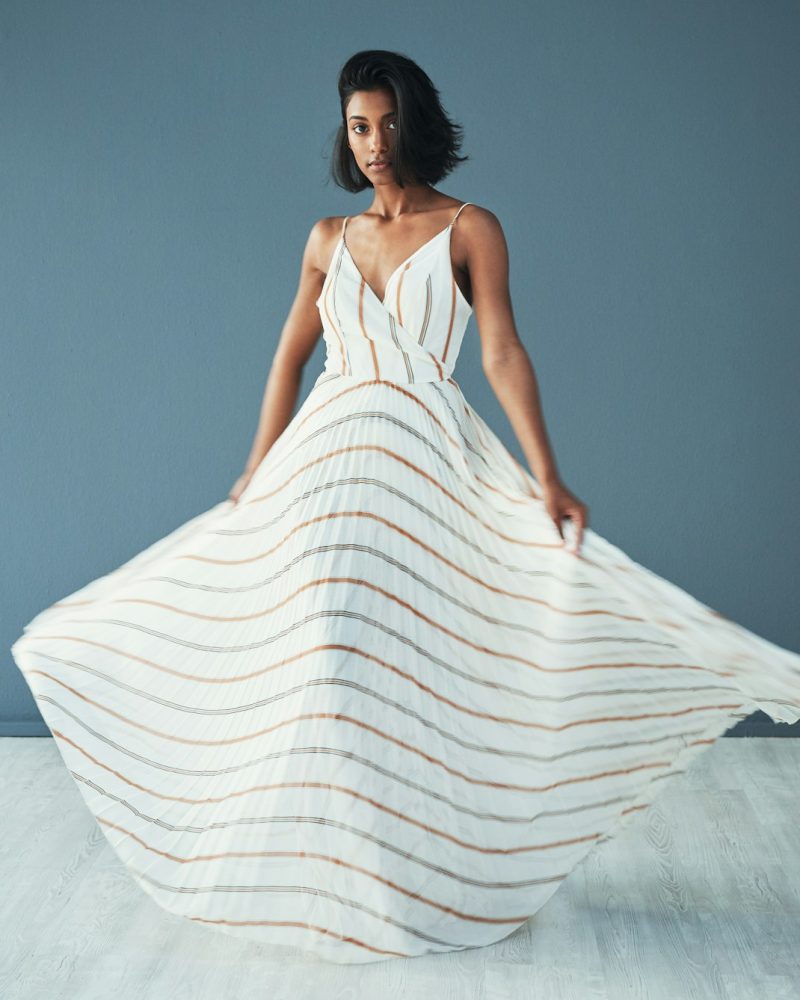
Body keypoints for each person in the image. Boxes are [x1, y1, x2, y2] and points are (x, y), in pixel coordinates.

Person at [11, 49, 800, 966]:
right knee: (318, 650)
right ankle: (326, 871)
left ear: (413, 123)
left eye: (386, 124)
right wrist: (254, 469)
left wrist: (547, 474)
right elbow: (289, 358)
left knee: (409, 658)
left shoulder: (472, 228)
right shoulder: (324, 237)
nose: (374, 143)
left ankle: (417, 872)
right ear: (344, 134)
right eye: (358, 127)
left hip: (421, 451)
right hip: (326, 456)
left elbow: (500, 351)